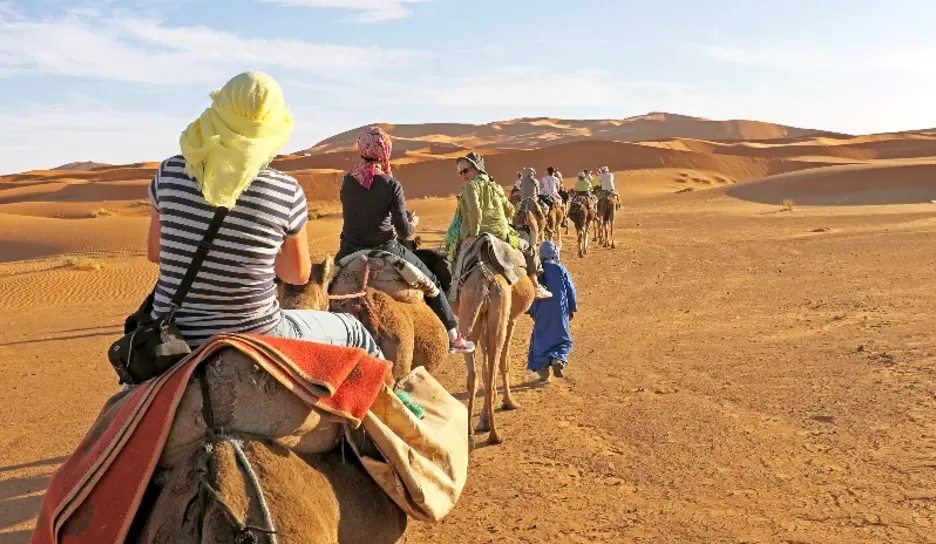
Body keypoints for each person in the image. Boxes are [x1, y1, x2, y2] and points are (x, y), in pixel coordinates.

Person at [145, 71, 382, 358]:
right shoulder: (285, 190)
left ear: (219, 109)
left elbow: (156, 252)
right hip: (257, 333)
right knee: (354, 331)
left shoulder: (169, 172)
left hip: (173, 333)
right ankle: (396, 402)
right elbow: (296, 275)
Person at [337, 126, 475, 354]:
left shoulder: (347, 181)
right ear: (386, 152)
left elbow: (358, 213)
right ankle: (452, 337)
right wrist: (412, 223)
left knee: (324, 286)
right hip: (386, 249)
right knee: (432, 282)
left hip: (348, 250)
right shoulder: (391, 185)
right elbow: (404, 233)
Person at [445, 153, 551, 300]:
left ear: (476, 169)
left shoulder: (470, 187)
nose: (463, 175)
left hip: (476, 234)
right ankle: (535, 284)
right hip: (501, 234)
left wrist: (473, 235)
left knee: (451, 255)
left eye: (465, 171)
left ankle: (452, 291)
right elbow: (510, 210)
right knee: (529, 249)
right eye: (460, 173)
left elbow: (475, 212)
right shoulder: (496, 187)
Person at [527, 241, 577, 381]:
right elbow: (570, 290)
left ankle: (543, 371)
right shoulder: (561, 269)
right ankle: (558, 359)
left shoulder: (535, 272)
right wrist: (572, 308)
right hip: (560, 311)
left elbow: (531, 292)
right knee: (562, 338)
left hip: (541, 313)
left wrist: (531, 311)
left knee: (540, 341)